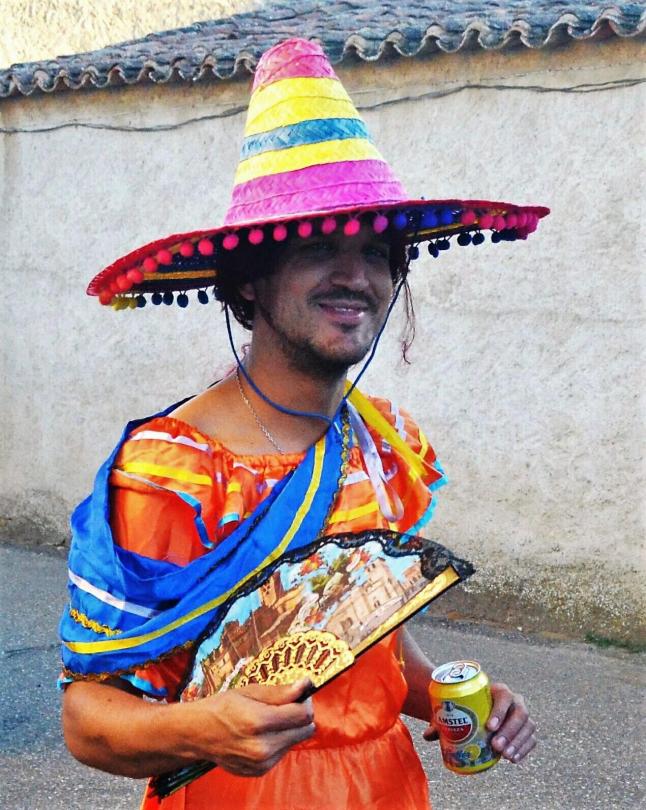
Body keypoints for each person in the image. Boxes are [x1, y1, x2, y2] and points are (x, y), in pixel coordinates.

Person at [60, 38, 546, 810]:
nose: (357, 275)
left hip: (387, 789)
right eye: (320, 245)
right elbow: (88, 719)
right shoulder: (173, 469)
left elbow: (361, 636)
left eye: (376, 252)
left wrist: (455, 696)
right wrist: (205, 728)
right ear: (250, 278)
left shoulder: (382, 444)